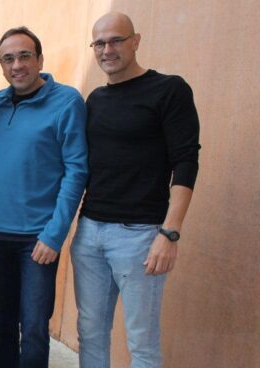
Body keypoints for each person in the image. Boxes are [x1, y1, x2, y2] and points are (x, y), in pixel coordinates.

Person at [71, 12, 200, 368]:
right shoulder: (96, 99)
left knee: (141, 340)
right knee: (90, 333)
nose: (107, 49)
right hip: (90, 232)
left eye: (115, 40)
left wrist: (169, 233)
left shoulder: (169, 89)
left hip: (141, 237)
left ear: (136, 41)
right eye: (99, 43)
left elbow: (186, 163)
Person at [0, 26, 88, 368]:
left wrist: (54, 235)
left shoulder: (67, 101)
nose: (17, 65)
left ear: (40, 59)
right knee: (2, 327)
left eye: (24, 56)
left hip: (37, 240)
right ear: (1, 65)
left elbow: (77, 171)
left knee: (35, 329)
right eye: (8, 59)